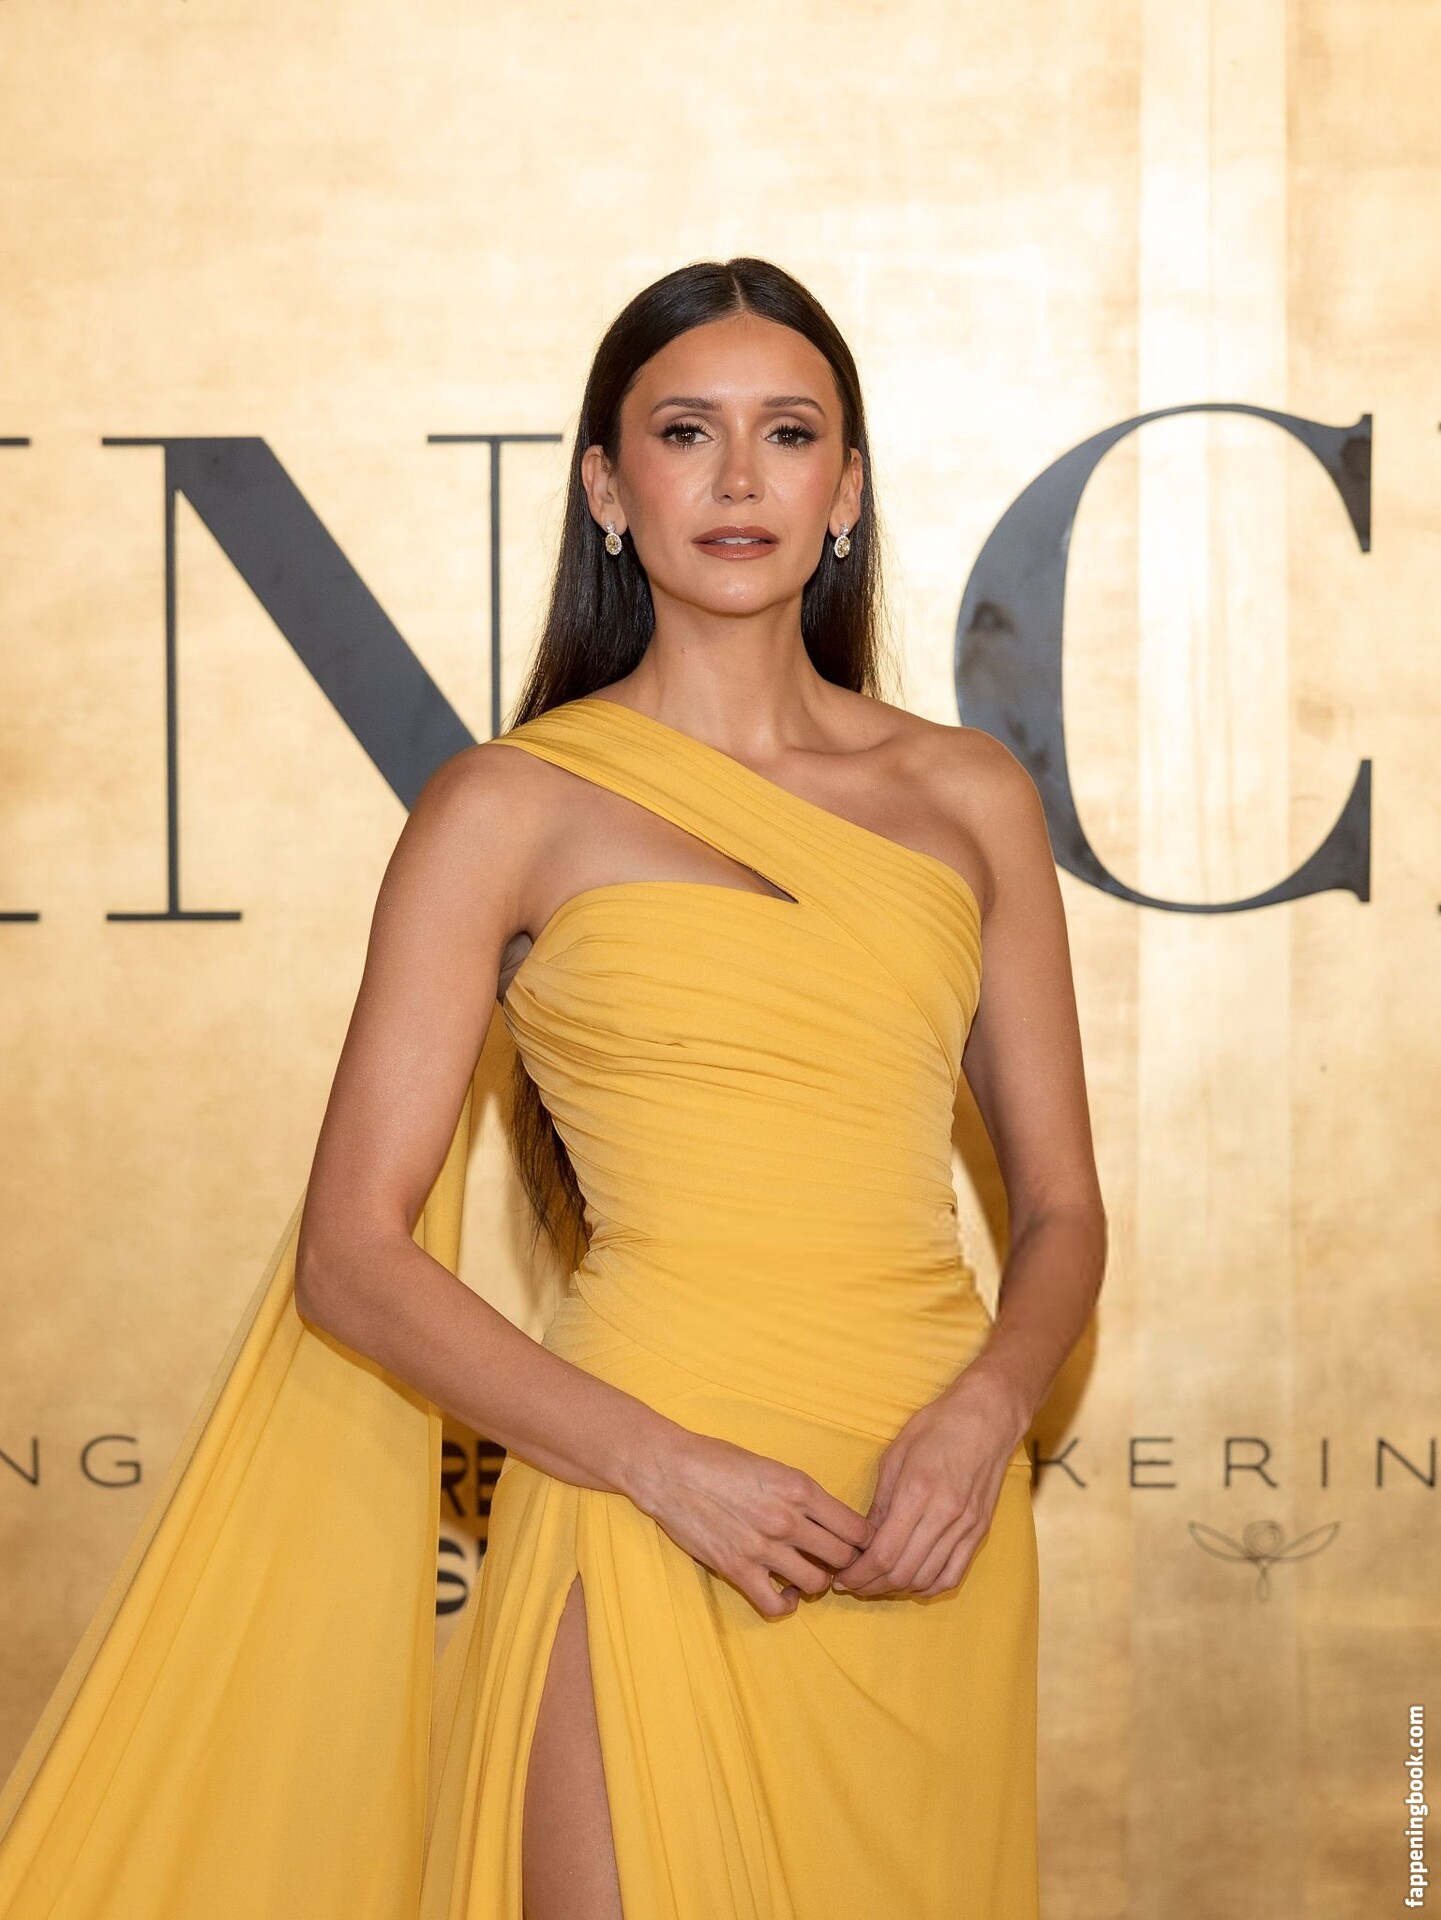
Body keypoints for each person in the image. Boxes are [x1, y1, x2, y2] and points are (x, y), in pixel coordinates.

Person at [0, 257, 1105, 1920]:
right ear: (606, 487)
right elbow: (350, 1255)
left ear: (845, 490)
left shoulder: (966, 796)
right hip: (635, 1482)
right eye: (685, 432)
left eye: (788, 433)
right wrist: (662, 1465)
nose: (738, 480)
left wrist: (983, 1414)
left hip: (923, 1510)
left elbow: (1064, 1210)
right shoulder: (505, 807)